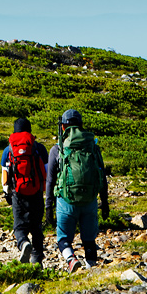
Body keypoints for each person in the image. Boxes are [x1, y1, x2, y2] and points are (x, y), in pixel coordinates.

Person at [45, 109, 109, 271]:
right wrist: (105, 202)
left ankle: (71, 259)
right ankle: (92, 270)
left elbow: (50, 180)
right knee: (89, 240)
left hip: (66, 201)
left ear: (63, 126)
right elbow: (101, 175)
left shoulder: (57, 149)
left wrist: (48, 207)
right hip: (89, 200)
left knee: (64, 239)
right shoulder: (93, 147)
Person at [1, 117, 49, 264]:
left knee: (19, 225)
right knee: (37, 227)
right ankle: (37, 260)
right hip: (36, 192)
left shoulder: (8, 149)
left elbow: (4, 175)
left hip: (18, 193)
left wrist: (7, 193)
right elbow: (46, 173)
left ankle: (23, 243)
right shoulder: (39, 148)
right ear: (30, 130)